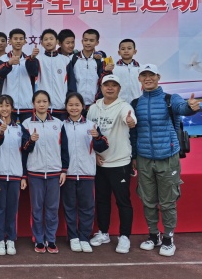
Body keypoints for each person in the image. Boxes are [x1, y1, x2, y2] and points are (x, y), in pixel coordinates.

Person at [131, 63, 200, 257]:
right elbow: (133, 133)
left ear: (158, 77)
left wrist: (191, 108)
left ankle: (168, 238)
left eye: (151, 75)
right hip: (144, 158)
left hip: (168, 157)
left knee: (168, 201)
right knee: (148, 200)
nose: (148, 78)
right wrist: (134, 156)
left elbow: (182, 108)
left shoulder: (171, 99)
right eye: (144, 75)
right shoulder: (135, 104)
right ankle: (154, 235)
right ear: (139, 79)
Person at [87, 74, 137, 254]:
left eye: (113, 85)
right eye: (106, 85)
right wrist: (94, 156)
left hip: (119, 162)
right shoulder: (93, 108)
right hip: (100, 163)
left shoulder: (124, 107)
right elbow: (88, 133)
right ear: (101, 88)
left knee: (123, 201)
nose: (110, 88)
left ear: (119, 89)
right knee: (102, 200)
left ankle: (124, 236)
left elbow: (130, 119)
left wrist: (130, 121)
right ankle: (103, 232)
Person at [22, 90, 69, 253]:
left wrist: (64, 170)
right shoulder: (27, 124)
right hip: (35, 172)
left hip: (55, 172)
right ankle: (39, 240)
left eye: (44, 101)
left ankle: (51, 239)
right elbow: (24, 150)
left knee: (52, 208)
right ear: (33, 104)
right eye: (38, 102)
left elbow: (64, 149)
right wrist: (30, 141)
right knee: (37, 209)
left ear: (49, 103)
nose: (41, 104)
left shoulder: (58, 123)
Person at [62, 92, 108, 253]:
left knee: (87, 207)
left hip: (87, 172)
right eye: (70, 105)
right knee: (69, 207)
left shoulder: (91, 125)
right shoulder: (61, 126)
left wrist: (97, 138)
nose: (74, 108)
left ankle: (84, 237)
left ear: (83, 106)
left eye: (77, 105)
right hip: (68, 174)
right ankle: (73, 237)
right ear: (66, 107)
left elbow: (102, 146)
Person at [0, 95, 30, 256]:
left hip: (15, 175)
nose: (4, 109)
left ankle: (11, 239)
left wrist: (23, 176)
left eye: (7, 105)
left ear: (12, 108)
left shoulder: (20, 128)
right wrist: (1, 132)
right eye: (1, 106)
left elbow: (25, 152)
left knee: (12, 210)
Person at [0, 28, 39, 123]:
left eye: (21, 39)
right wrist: (9, 64)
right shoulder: (3, 59)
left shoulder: (30, 59)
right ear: (10, 41)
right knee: (7, 130)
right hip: (8, 105)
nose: (18, 41)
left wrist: (32, 59)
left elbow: (34, 73)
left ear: (25, 41)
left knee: (28, 131)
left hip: (27, 105)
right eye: (15, 39)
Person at [35, 29, 76, 120]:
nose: (48, 41)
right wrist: (32, 58)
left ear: (57, 41)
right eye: (45, 39)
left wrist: (68, 102)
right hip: (43, 108)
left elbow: (71, 84)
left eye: (51, 39)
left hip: (61, 107)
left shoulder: (65, 60)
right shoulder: (38, 59)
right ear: (41, 43)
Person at [68, 29, 106, 109]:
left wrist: (97, 100)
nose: (88, 43)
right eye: (85, 40)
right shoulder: (72, 59)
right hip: (76, 104)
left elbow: (102, 82)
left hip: (95, 104)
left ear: (97, 42)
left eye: (91, 40)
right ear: (82, 41)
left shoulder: (101, 60)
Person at [109, 39, 142, 104]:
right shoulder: (113, 68)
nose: (126, 51)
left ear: (135, 51)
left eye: (129, 48)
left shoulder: (141, 68)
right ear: (119, 52)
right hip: (118, 103)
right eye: (123, 49)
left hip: (138, 103)